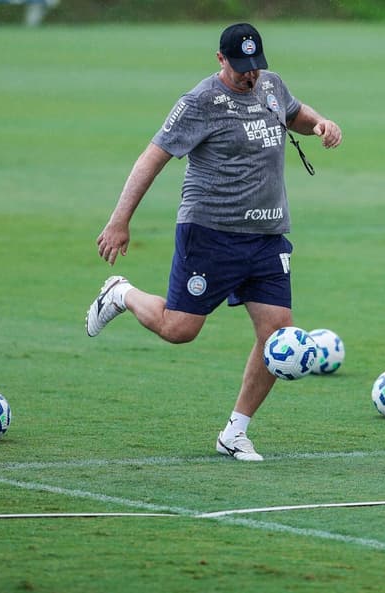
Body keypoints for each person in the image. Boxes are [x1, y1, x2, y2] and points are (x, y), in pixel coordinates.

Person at [86, 23, 342, 461]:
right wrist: (119, 221)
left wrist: (321, 124)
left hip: (267, 237)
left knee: (276, 334)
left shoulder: (271, 86)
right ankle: (122, 294)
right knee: (179, 329)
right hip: (210, 233)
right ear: (220, 59)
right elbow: (152, 158)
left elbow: (294, 112)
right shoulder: (198, 103)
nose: (250, 75)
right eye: (241, 68)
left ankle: (235, 433)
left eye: (255, 66)